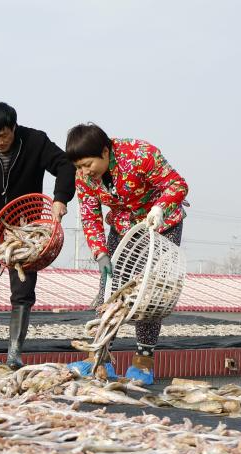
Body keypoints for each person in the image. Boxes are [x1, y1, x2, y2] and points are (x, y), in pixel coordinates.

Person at [65, 123, 188, 385]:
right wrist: (100, 253)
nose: (85, 172)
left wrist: (160, 207)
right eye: (79, 167)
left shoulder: (140, 154)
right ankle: (99, 359)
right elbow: (90, 214)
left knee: (149, 292)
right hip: (123, 227)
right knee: (109, 289)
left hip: (161, 225)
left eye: (88, 164)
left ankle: (143, 362)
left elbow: (177, 184)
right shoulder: (84, 177)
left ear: (105, 152)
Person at [0, 102, 75, 369]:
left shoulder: (35, 140)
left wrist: (60, 199)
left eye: (4, 135)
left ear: (14, 127)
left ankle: (14, 352)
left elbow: (65, 165)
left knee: (22, 290)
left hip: (26, 228)